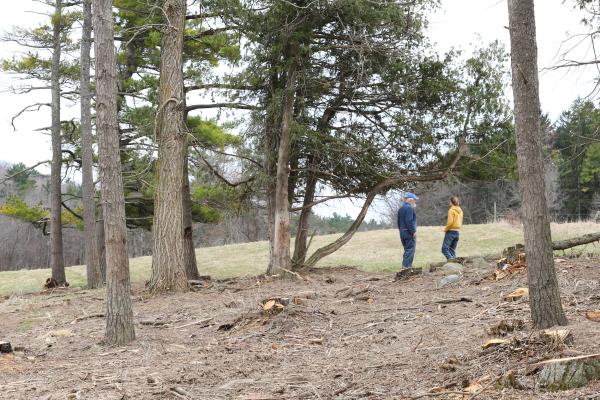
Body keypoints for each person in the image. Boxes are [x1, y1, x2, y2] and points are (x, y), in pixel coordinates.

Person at [397, 192, 418, 274]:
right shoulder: (409, 208)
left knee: (407, 250)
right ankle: (406, 269)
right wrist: (413, 231)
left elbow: (398, 222)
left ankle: (408, 267)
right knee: (410, 250)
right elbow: (409, 221)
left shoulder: (400, 209)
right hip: (408, 232)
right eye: (414, 200)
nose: (415, 202)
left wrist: (401, 231)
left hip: (402, 232)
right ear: (410, 200)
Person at [441, 196, 463, 260]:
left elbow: (450, 222)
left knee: (444, 249)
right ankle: (455, 264)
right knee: (452, 250)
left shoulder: (451, 210)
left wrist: (445, 229)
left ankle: (452, 261)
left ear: (451, 202)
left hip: (451, 232)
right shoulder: (461, 211)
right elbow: (460, 221)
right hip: (457, 232)